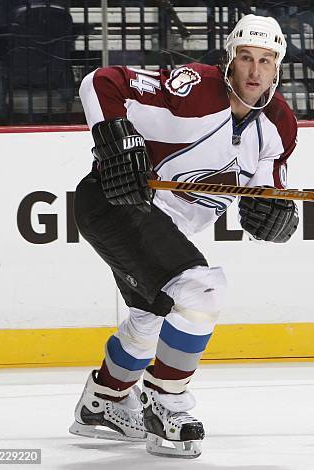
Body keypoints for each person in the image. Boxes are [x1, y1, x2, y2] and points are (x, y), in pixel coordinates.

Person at [68, 14, 298, 459]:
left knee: (154, 316)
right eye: (246, 58)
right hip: (118, 202)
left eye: (265, 61)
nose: (254, 71)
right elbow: (100, 82)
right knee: (201, 290)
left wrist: (277, 213)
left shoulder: (279, 125)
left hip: (161, 225)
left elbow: (270, 189)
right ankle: (167, 402)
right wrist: (114, 138)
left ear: (278, 67)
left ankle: (103, 402)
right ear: (230, 60)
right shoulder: (192, 88)